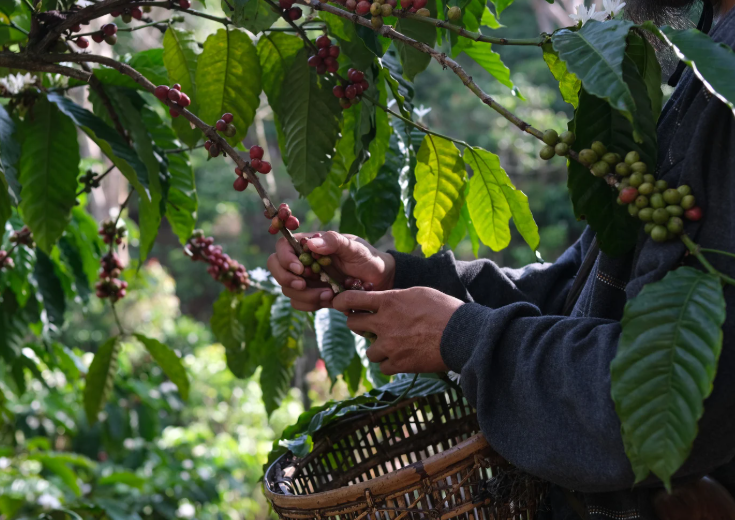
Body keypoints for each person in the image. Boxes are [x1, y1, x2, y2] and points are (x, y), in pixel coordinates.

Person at [267, 0, 735, 517]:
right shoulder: (708, 58)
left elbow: (657, 399)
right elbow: (579, 293)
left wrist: (460, 335)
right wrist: (397, 275)